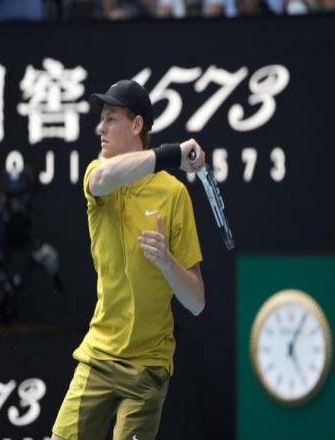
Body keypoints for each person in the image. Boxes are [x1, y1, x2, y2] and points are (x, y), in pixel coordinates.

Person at [51, 79, 206, 440]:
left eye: (111, 119)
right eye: (101, 119)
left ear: (137, 125)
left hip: (148, 366)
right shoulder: (98, 174)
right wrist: (174, 154)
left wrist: (167, 263)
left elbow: (197, 302)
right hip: (99, 355)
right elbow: (105, 177)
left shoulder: (175, 195)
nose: (100, 128)